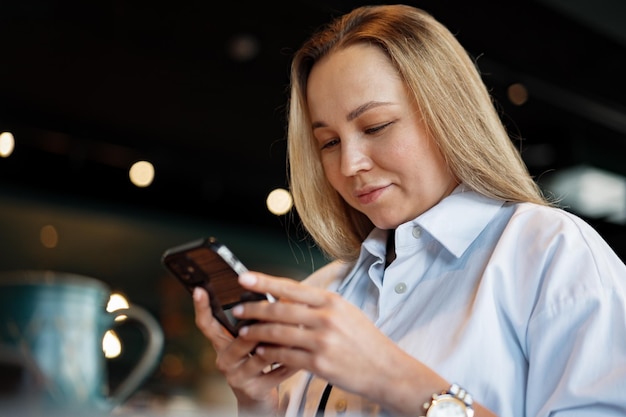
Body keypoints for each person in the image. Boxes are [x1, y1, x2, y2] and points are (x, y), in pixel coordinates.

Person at [192, 4, 626, 417]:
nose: (349, 165)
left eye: (375, 127)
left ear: (447, 113)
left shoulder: (551, 252)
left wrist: (393, 376)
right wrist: (258, 404)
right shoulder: (327, 289)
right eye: (329, 142)